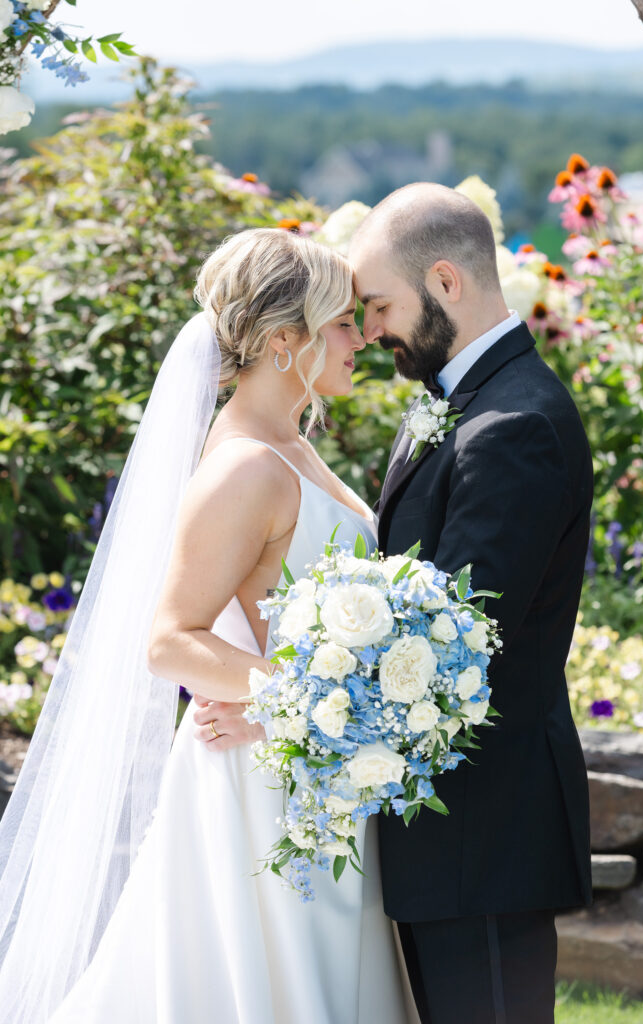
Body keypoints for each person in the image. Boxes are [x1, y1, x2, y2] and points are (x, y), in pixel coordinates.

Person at [0, 228, 413, 1023]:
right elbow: (169, 639)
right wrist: (305, 702)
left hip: (306, 765)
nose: (359, 338)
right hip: (260, 783)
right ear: (284, 339)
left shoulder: (291, 445)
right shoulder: (246, 467)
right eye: (340, 322)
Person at [345, 183, 593, 1024]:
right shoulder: (463, 403)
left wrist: (298, 698)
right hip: (450, 834)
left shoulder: (512, 423)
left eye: (379, 304)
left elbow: (453, 641)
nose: (370, 327)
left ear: (445, 281)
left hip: (485, 830)